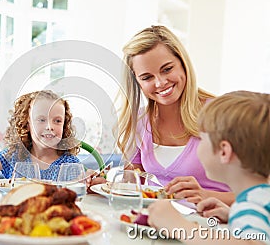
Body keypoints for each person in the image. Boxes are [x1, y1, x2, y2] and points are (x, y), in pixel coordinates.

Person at [115, 25, 234, 205]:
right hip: (159, 224)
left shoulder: (223, 114)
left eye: (167, 69)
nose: (160, 82)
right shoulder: (140, 122)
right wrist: (104, 185)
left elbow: (261, 195)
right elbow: (132, 188)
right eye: (147, 77)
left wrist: (207, 195)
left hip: (213, 227)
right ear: (136, 82)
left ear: (183, 63)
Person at [148, 90, 270, 244]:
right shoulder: (259, 200)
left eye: (202, 138)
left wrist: (179, 226)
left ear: (224, 151)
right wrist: (232, 215)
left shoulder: (250, 208)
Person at [0, 90, 81, 185]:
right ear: (27, 124)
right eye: (41, 120)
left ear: (64, 125)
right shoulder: (12, 155)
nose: (49, 127)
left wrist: (86, 181)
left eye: (57, 121)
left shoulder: (70, 164)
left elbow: (78, 193)